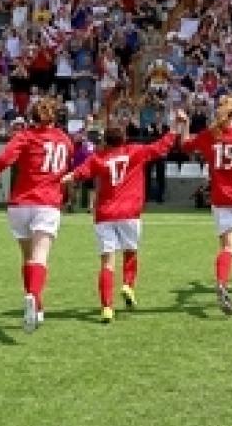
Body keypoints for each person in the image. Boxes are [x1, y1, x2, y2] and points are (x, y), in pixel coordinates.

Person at [68, 114, 183, 323]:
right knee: (130, 252)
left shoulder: (99, 158)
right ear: (124, 138)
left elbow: (79, 173)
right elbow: (161, 146)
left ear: (105, 141)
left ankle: (107, 307)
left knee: (106, 262)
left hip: (104, 214)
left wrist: (60, 179)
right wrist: (176, 127)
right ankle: (128, 285)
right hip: (130, 213)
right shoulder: (136, 151)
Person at [0, 97, 74, 333]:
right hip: (47, 202)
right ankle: (34, 296)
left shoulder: (25, 136)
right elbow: (65, 166)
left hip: (20, 203)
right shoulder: (65, 141)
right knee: (40, 256)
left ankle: (36, 304)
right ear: (55, 117)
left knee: (27, 258)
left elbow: (4, 158)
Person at [182, 95, 232, 314]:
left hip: (221, 198)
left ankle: (221, 282)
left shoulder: (209, 135)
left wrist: (185, 124)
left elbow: (186, 145)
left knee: (227, 246)